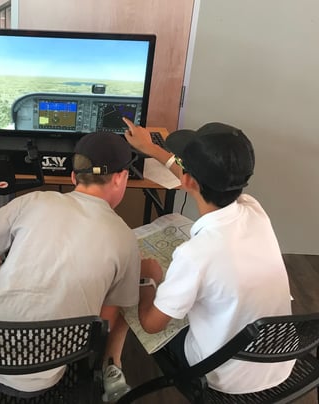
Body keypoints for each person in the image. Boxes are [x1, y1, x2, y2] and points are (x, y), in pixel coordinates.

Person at [0, 132, 141, 401]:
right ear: (120, 177)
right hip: (38, 378)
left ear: (73, 177)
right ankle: (112, 369)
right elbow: (101, 325)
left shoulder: (34, 201)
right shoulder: (125, 238)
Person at [122, 118, 294, 394]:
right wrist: (153, 150)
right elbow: (194, 176)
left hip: (223, 376)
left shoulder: (195, 255)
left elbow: (152, 325)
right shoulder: (253, 209)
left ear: (189, 180)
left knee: (131, 297)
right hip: (279, 360)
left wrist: (148, 281)